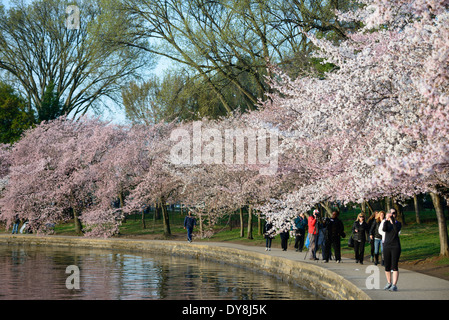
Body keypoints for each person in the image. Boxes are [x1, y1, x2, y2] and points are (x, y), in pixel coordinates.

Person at [383, 209, 402, 291]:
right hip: (387, 245)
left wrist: (392, 221)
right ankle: (389, 282)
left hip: (395, 246)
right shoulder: (386, 223)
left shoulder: (398, 224)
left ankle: (394, 285)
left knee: (394, 266)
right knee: (387, 266)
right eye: (390, 213)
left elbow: (396, 230)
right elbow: (384, 229)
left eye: (393, 213)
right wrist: (386, 220)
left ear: (396, 215)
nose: (392, 215)